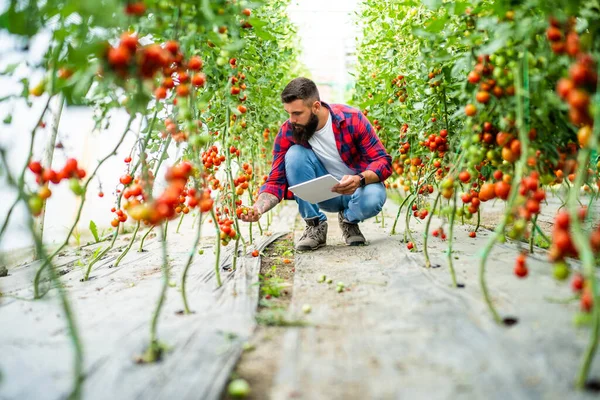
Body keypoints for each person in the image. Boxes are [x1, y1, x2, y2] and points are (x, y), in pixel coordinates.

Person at [239, 77, 392, 251]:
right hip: (325, 194)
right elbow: (276, 181)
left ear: (316, 107)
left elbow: (382, 161)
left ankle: (349, 220)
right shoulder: (289, 130)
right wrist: (258, 208)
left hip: (357, 190)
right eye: (288, 113)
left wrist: (359, 179)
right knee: (295, 154)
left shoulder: (352, 118)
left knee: (373, 197)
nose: (292, 120)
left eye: (297, 113)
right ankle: (315, 225)